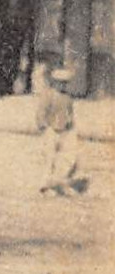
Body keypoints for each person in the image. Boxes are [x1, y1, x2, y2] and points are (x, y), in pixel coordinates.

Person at [36, 65, 84, 197]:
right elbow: (41, 114)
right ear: (54, 82)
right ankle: (45, 187)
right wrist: (45, 128)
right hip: (51, 130)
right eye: (60, 82)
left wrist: (71, 126)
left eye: (65, 83)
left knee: (69, 158)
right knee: (49, 158)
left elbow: (70, 114)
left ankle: (62, 183)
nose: (62, 85)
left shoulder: (67, 97)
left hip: (65, 130)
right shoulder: (48, 95)